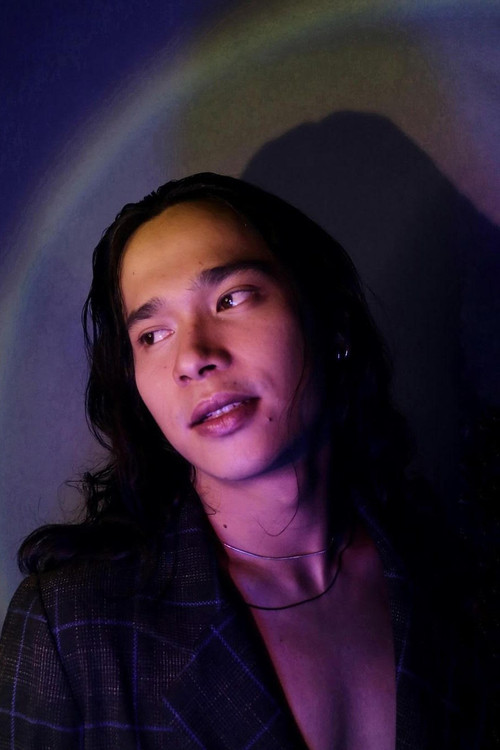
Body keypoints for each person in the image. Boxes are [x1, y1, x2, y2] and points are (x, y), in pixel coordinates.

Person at [0, 173, 488, 749]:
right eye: (153, 335)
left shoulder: (455, 584)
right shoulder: (69, 629)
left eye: (231, 298)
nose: (193, 357)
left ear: (330, 322)